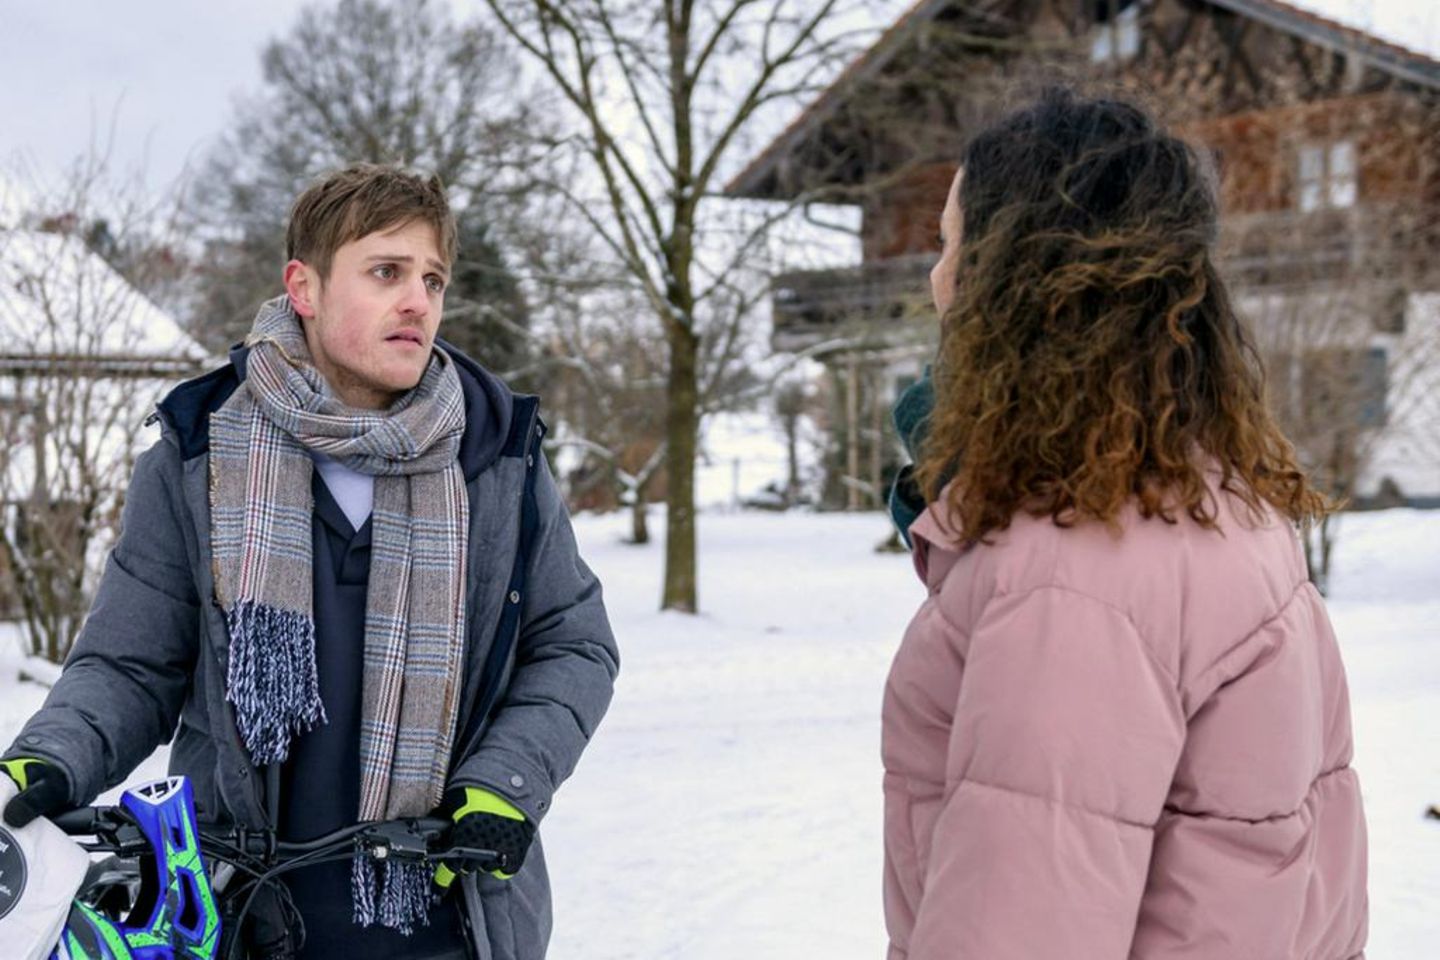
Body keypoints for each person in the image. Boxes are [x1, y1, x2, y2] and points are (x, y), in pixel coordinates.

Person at [1, 164, 619, 960]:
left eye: (433, 279)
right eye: (386, 272)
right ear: (306, 287)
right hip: (242, 918)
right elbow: (131, 663)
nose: (418, 301)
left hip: (449, 920)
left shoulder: (497, 459)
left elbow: (574, 647)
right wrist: (47, 757)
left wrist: (506, 783)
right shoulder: (200, 453)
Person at [883, 90, 1367, 959]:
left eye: (951, 243)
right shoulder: (1218, 500)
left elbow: (1022, 928)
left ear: (1016, 280)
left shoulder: (1069, 572)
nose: (935, 276)